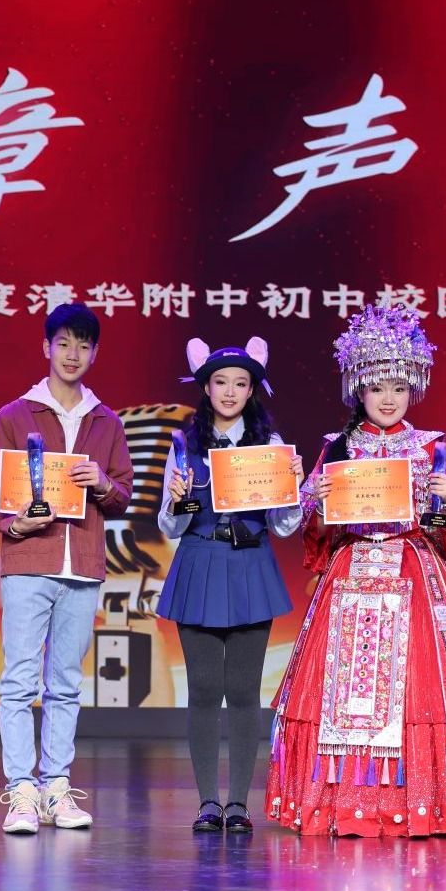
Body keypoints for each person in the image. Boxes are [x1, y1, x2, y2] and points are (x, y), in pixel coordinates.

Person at [265, 303, 446, 837]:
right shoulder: (337, 447)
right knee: (340, 689)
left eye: (398, 387)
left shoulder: (429, 447)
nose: (389, 398)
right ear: (359, 390)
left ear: (413, 388)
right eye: (377, 388)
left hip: (415, 572)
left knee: (421, 690)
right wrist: (317, 497)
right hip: (352, 571)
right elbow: (312, 527)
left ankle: (425, 802)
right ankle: (343, 802)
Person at [0, 302, 134, 835]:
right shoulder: (15, 414)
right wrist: (14, 524)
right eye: (63, 343)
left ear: (95, 353)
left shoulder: (105, 421)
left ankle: (56, 786)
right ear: (46, 347)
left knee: (65, 683)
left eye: (83, 346)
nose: (72, 354)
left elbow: (122, 495)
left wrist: (103, 485)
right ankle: (22, 790)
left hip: (82, 566)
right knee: (20, 681)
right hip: (29, 561)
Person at [156, 337, 303, 834]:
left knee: (242, 690)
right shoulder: (184, 443)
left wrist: (291, 488)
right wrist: (177, 499)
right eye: (220, 382)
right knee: (203, 689)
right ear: (206, 387)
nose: (230, 391)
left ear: (253, 390)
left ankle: (238, 803)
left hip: (249, 565)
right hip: (200, 561)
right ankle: (206, 802)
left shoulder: (270, 445)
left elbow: (284, 525)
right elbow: (170, 526)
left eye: (241, 383)